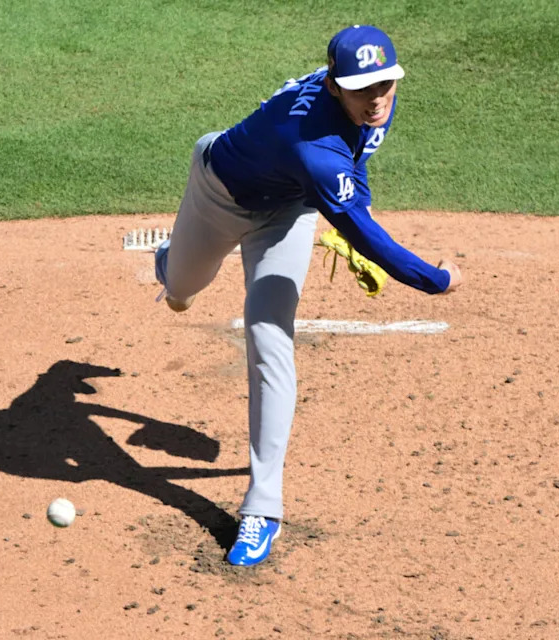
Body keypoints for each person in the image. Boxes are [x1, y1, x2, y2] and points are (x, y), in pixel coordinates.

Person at [153, 24, 463, 566]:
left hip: (289, 212)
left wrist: (351, 210)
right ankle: (172, 258)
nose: (377, 99)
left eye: (386, 83)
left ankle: (261, 508)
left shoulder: (368, 107)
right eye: (363, 88)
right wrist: (434, 279)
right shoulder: (314, 145)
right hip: (217, 193)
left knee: (269, 333)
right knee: (182, 287)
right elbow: (361, 224)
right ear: (334, 84)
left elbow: (355, 169)